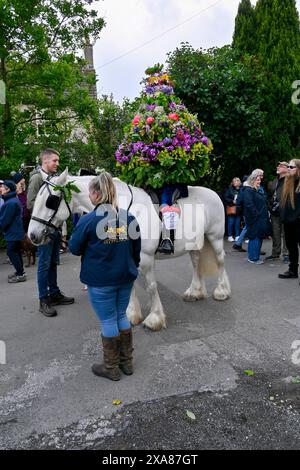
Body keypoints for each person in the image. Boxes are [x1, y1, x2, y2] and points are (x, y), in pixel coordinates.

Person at [69, 172, 141, 381]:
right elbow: (136, 249)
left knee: (109, 319)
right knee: (121, 316)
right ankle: (127, 363)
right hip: (126, 276)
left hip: (101, 280)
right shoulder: (129, 217)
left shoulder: (89, 220)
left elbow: (74, 248)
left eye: (90, 192)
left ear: (94, 194)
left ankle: (111, 367)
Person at [27, 148, 74, 317]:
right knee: (44, 264)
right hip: (44, 228)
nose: (57, 163)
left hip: (54, 227)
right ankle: (43, 299)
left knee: (54, 262)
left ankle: (54, 293)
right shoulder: (37, 178)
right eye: (55, 160)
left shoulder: (54, 178)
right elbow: (31, 204)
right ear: (45, 161)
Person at [0, 180, 26, 283]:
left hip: (13, 232)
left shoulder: (10, 203)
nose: (0, 188)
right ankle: (21, 272)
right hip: (16, 231)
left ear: (8, 189)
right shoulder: (13, 200)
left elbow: (5, 220)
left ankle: (20, 274)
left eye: (2, 187)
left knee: (11, 252)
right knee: (16, 252)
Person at [278, 159, 300, 280]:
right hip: (288, 222)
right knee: (291, 247)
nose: (289, 169)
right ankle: (293, 270)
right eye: (289, 167)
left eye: (292, 167)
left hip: (298, 221)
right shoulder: (287, 182)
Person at [243, 170, 271, 265]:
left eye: (259, 180)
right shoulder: (248, 190)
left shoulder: (256, 190)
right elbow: (249, 204)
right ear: (252, 180)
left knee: (258, 236)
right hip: (254, 219)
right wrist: (256, 214)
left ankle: (255, 256)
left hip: (260, 218)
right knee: (254, 237)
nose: (259, 181)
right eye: (257, 180)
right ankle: (253, 258)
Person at [266, 162, 289, 261]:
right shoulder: (275, 180)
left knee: (286, 233)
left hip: (285, 211)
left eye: (280, 166)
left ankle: (287, 254)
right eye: (278, 165)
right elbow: (270, 194)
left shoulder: (289, 180)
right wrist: (269, 205)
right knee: (275, 233)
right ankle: (275, 253)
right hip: (274, 211)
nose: (278, 167)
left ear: (286, 168)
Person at [224, 177, 241, 242]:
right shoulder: (229, 189)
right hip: (231, 208)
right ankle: (230, 236)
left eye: (237, 181)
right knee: (231, 222)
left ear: (239, 182)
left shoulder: (241, 189)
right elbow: (226, 197)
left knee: (237, 223)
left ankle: (237, 236)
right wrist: (232, 201)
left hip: (239, 208)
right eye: (234, 181)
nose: (235, 182)